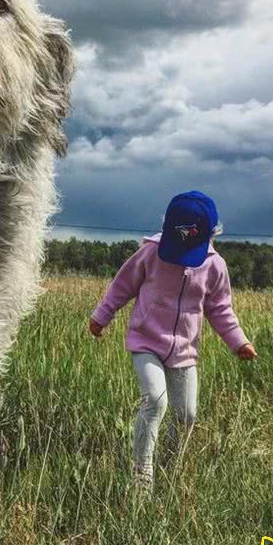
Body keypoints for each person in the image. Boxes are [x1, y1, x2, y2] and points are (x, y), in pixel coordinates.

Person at [88, 191, 257, 492]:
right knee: (155, 400)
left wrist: (238, 342)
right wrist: (102, 316)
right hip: (146, 341)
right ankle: (142, 475)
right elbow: (122, 285)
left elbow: (220, 309)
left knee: (187, 415)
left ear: (211, 234)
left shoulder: (215, 265)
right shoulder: (151, 253)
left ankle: (169, 470)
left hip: (184, 350)